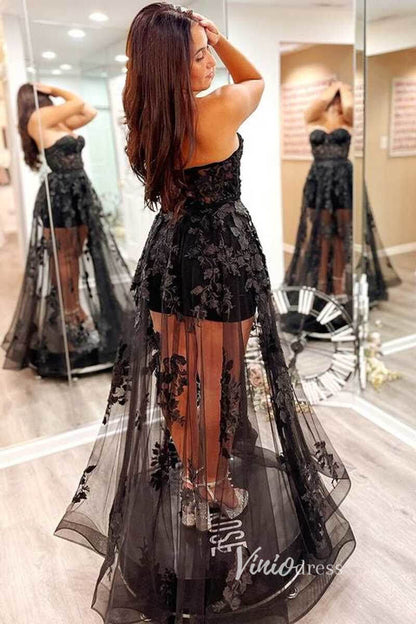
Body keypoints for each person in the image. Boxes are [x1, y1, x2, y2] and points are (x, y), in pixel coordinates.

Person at [55, 4, 356, 622]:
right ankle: (213, 484)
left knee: (177, 375)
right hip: (220, 254)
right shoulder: (217, 108)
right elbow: (257, 80)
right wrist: (220, 36)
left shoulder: (145, 117)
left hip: (170, 253)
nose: (210, 62)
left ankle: (194, 480)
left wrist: (200, 43)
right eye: (198, 55)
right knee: (217, 380)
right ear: (173, 66)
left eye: (207, 50)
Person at [2, 83, 133, 376]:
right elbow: (78, 102)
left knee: (76, 254)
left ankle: (75, 312)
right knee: (63, 259)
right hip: (60, 195)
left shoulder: (56, 122)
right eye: (46, 96)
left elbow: (88, 112)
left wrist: (54, 94)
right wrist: (55, 90)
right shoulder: (39, 119)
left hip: (79, 192)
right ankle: (71, 312)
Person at [285, 80, 400, 307]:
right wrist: (333, 88)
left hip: (342, 181)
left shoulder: (348, 121)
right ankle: (320, 286)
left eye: (338, 96)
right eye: (334, 97)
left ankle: (339, 287)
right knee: (320, 236)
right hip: (318, 182)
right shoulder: (315, 120)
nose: (336, 101)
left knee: (340, 237)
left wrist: (344, 89)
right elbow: (313, 108)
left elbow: (349, 108)